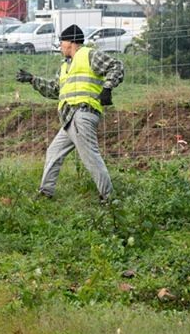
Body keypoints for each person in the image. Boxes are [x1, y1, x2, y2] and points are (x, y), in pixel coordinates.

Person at [15, 24, 124, 202]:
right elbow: (55, 89)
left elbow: (116, 66)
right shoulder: (65, 67)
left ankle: (109, 198)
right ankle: (45, 193)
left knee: (90, 157)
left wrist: (108, 88)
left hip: (82, 113)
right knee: (53, 152)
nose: (60, 47)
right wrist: (32, 80)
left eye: (61, 43)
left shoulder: (89, 55)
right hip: (69, 117)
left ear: (71, 42)